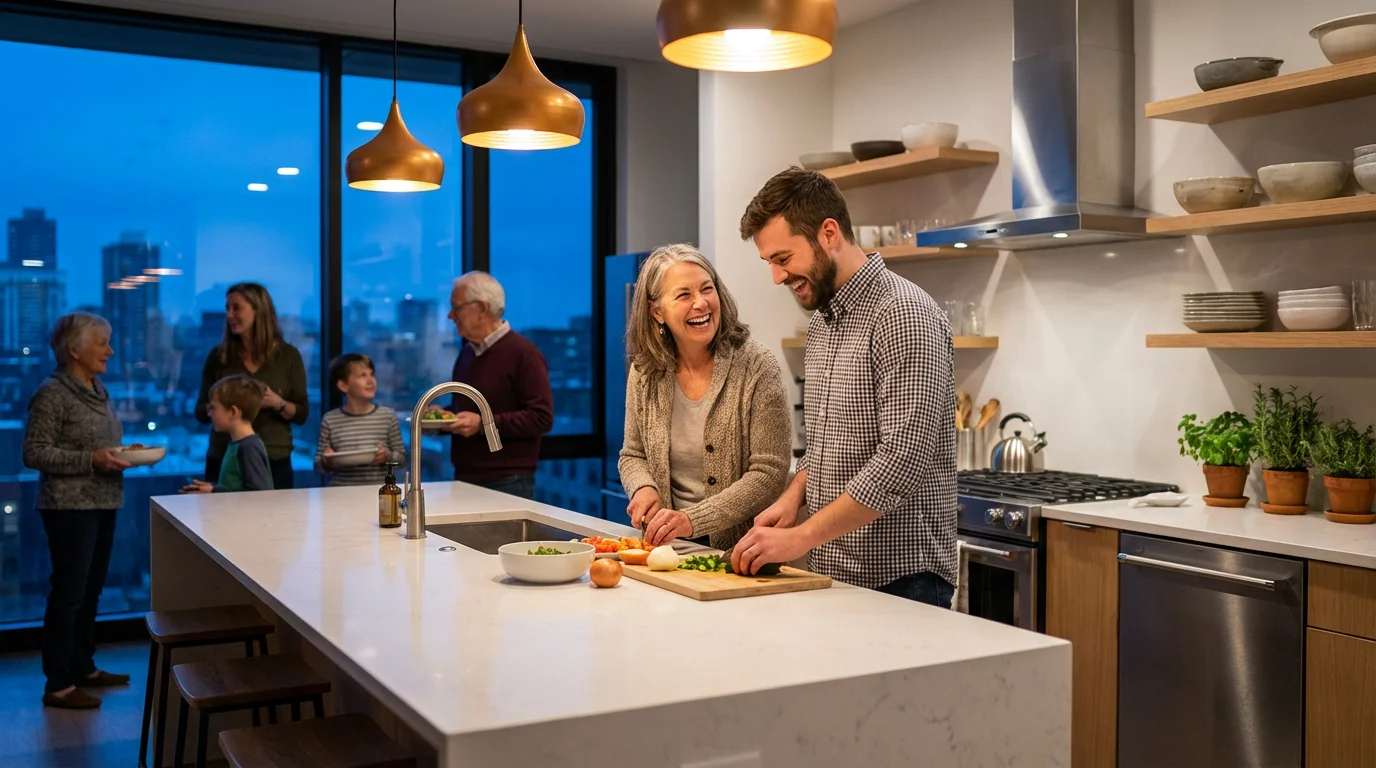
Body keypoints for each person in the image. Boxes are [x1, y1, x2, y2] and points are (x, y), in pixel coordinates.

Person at [732, 167, 958, 608]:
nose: (777, 277)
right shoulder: (822, 323)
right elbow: (827, 444)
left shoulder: (905, 314)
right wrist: (793, 497)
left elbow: (900, 463)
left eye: (783, 258)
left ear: (829, 233)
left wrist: (801, 537)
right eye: (770, 264)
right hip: (839, 569)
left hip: (903, 578)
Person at [618, 244, 791, 550]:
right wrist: (643, 488)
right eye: (684, 295)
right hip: (666, 550)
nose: (701, 303)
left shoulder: (757, 365)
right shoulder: (645, 372)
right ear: (657, 311)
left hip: (741, 553)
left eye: (707, 289)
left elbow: (769, 473)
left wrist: (693, 519)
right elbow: (633, 455)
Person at [22, 312, 132, 709]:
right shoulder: (52, 393)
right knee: (69, 594)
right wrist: (93, 459)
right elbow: (33, 453)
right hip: (69, 507)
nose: (110, 350)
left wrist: (118, 455)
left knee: (91, 590)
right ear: (74, 349)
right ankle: (58, 684)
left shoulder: (97, 389)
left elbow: (99, 445)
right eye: (102, 343)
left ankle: (83, 667)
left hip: (103, 501)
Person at [439, 271, 553, 499]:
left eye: (457, 307)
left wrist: (482, 424)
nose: (451, 315)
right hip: (465, 477)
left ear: (481, 308)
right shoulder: (467, 354)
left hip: (507, 481)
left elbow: (541, 418)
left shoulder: (524, 354)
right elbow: (468, 411)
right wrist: (444, 418)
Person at [195, 282, 308, 490]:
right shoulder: (218, 357)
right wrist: (228, 404)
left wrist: (278, 403)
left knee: (275, 521)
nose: (229, 315)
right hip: (224, 457)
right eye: (227, 309)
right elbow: (201, 412)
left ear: (259, 311)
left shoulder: (288, 356)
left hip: (274, 459)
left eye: (236, 308)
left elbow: (301, 414)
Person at [314, 353, 405, 486]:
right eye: (362, 375)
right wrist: (326, 460)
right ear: (343, 386)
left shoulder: (387, 416)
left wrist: (387, 456)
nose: (371, 380)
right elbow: (318, 466)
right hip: (340, 493)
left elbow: (401, 459)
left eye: (371, 374)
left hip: (379, 491)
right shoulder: (330, 420)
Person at [182, 375, 273, 493]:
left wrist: (215, 491)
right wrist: (211, 488)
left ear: (233, 412)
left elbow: (258, 494)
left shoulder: (249, 447)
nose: (209, 414)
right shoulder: (238, 445)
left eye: (213, 408)